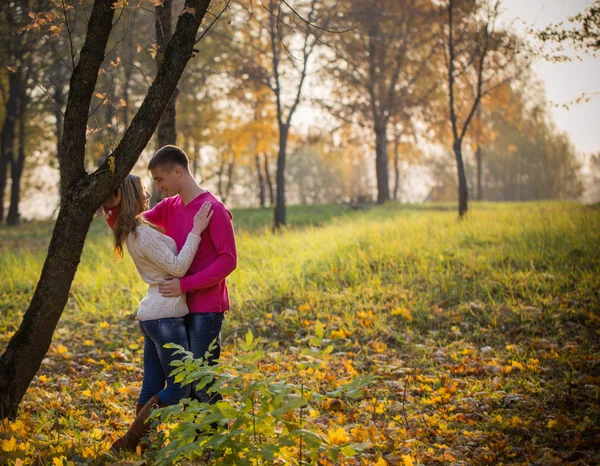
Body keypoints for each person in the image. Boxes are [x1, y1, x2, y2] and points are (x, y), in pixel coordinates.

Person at [103, 145, 237, 407]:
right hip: (175, 309)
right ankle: (190, 443)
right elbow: (128, 225)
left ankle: (212, 445)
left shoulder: (213, 209)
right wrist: (110, 196)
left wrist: (184, 284)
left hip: (206, 308)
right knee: (184, 385)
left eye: (160, 179)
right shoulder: (168, 207)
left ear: (178, 171)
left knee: (201, 383)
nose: (158, 187)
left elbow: (228, 261)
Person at [106, 174, 214, 453]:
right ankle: (130, 441)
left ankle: (145, 445)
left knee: (153, 383)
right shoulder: (141, 233)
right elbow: (177, 268)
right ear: (131, 196)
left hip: (154, 315)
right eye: (143, 190)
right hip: (164, 317)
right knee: (180, 387)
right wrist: (196, 230)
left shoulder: (133, 229)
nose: (148, 194)